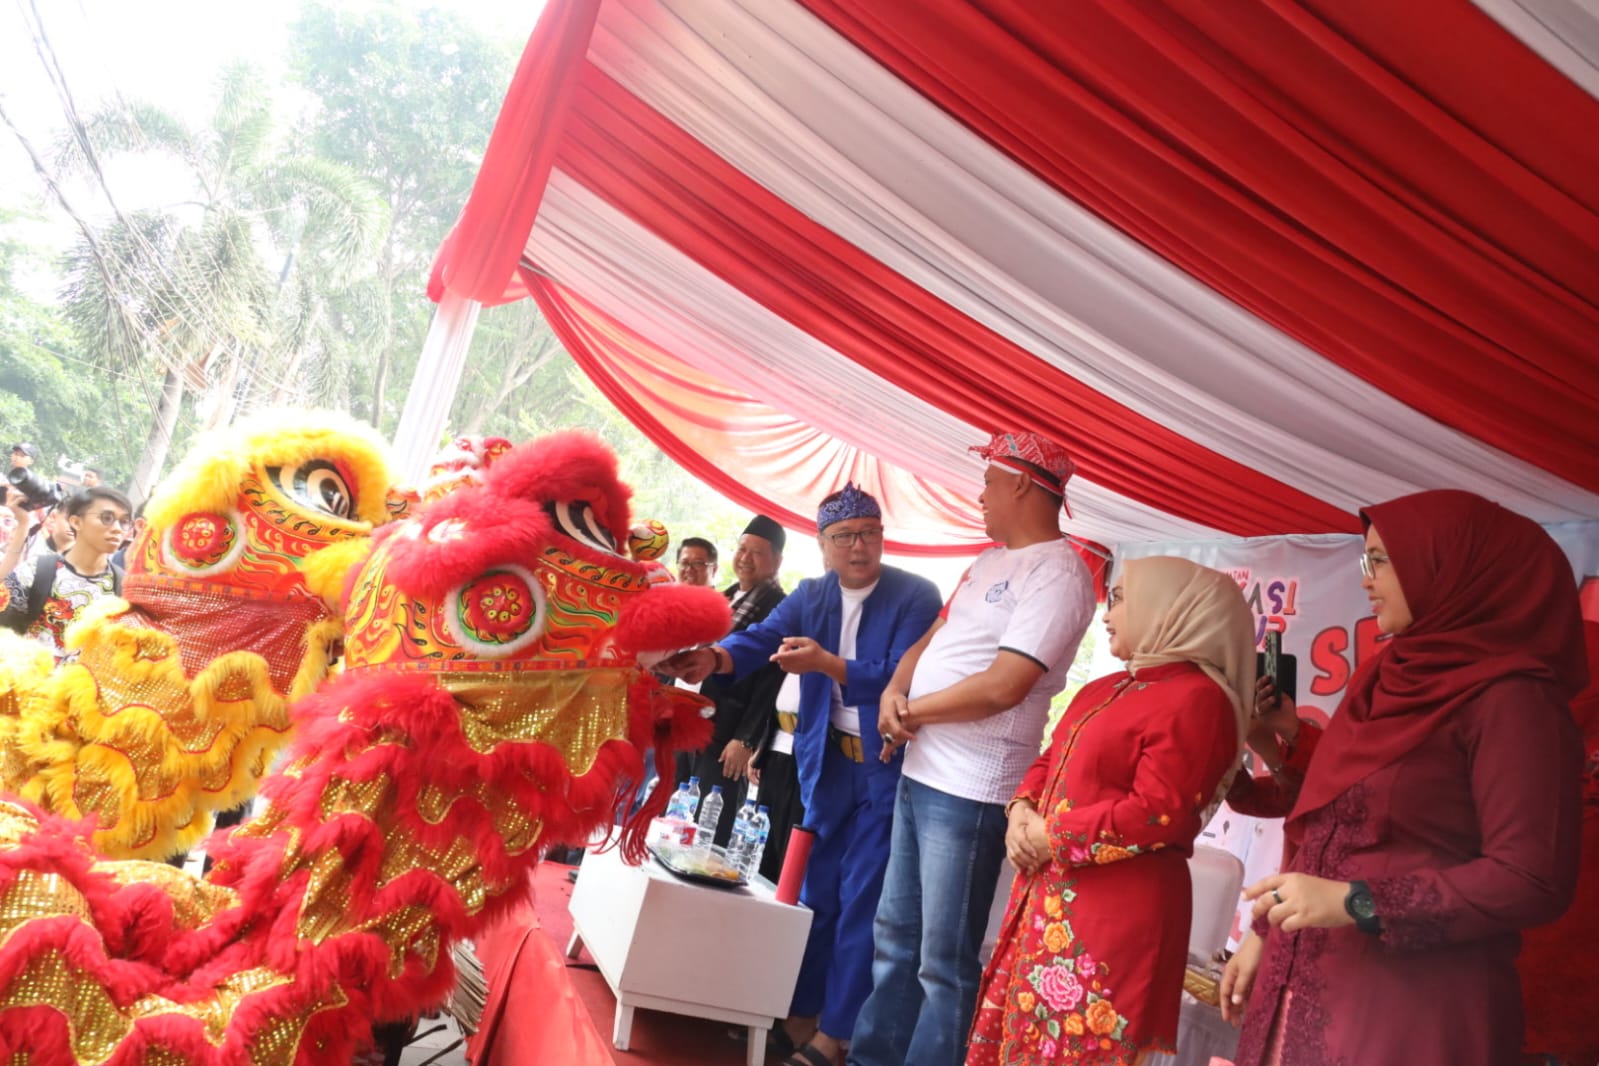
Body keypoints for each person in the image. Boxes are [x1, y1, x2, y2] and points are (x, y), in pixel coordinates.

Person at [1222, 489, 1586, 1065]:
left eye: (1382, 561)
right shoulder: (1380, 675)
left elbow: (1530, 877)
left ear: (1452, 565)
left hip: (1410, 1008)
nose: (1367, 579)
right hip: (1301, 982)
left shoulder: (1513, 699)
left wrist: (1360, 903)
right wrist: (1264, 935)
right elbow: (1325, 825)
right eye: (1364, 561)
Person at [663, 484, 942, 1066]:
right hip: (824, 764)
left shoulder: (916, 594)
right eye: (844, 537)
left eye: (868, 533)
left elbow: (900, 675)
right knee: (813, 894)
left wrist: (826, 664)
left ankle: (835, 1035)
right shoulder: (813, 595)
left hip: (884, 769)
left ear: (882, 539)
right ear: (822, 546)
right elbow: (761, 638)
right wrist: (713, 659)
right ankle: (799, 1012)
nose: (858, 546)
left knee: (862, 898)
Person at [848, 431, 1096, 1066]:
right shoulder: (988, 562)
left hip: (973, 791)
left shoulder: (1060, 572)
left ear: (1020, 483)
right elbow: (931, 639)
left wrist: (911, 712)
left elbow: (1005, 685)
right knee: (895, 938)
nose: (980, 494)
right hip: (923, 771)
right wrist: (894, 693)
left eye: (988, 481)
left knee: (943, 963)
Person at [966, 556, 1253, 1063]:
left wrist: (1049, 835)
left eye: (1119, 599)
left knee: (1078, 1047)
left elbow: (1158, 811)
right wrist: (1020, 810)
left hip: (1114, 915)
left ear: (1167, 608)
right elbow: (1052, 756)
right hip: (1046, 894)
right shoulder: (1107, 687)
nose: (1107, 612)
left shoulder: (1200, 700)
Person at [676, 516, 787, 845]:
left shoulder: (779, 607)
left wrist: (747, 739)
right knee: (672, 814)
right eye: (741, 549)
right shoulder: (722, 598)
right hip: (686, 721)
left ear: (777, 561)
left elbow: (772, 682)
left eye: (756, 552)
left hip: (726, 734)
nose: (745, 558)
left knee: (708, 829)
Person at [0, 486, 133, 659]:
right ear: (76, 522)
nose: (117, 528)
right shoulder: (34, 571)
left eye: (124, 522)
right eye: (106, 518)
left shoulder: (125, 588)